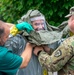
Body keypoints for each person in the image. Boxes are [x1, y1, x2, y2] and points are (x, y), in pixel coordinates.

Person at [33, 6, 74, 75]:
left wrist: (40, 52)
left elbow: (51, 65)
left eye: (70, 18)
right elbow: (67, 56)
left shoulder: (70, 43)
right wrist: (49, 51)